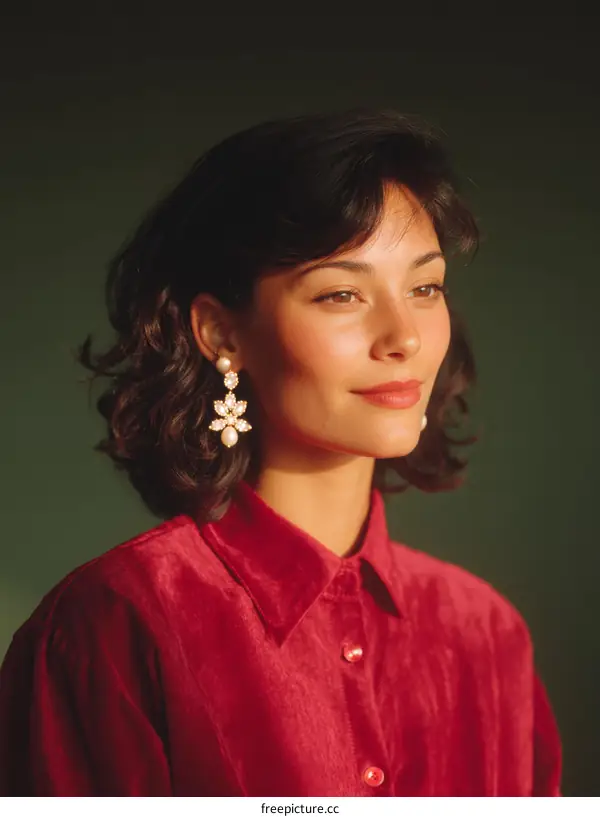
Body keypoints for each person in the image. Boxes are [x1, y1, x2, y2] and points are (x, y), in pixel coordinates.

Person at [0, 109, 562, 796]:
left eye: (425, 286)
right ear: (219, 331)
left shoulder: (488, 637)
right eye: (341, 293)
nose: (404, 336)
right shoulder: (118, 623)